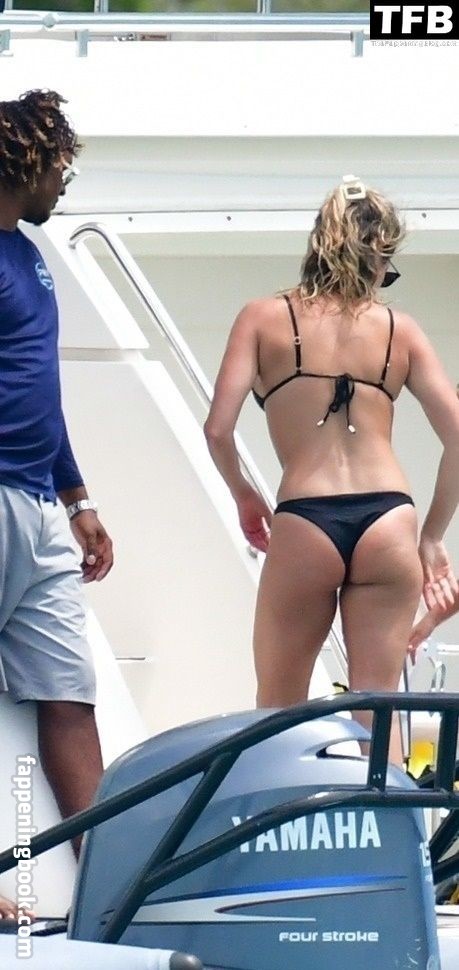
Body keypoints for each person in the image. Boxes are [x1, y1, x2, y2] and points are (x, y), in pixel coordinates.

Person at [204, 174, 459, 764]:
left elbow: (218, 429)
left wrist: (244, 494)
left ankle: (277, 819)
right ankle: (397, 823)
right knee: (379, 709)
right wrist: (432, 536)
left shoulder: (262, 318)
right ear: (380, 256)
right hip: (389, 519)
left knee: (277, 710)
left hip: (307, 517)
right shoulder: (400, 331)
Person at [0, 90, 114, 916]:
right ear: (26, 161)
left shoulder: (32, 254)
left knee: (70, 694)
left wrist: (79, 498)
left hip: (40, 506)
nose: (65, 184)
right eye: (60, 168)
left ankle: (111, 880)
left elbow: (42, 387)